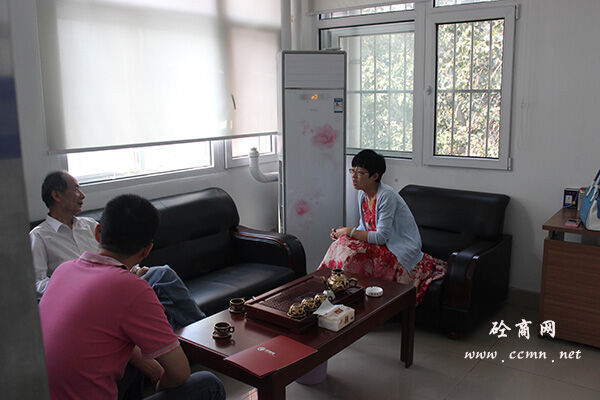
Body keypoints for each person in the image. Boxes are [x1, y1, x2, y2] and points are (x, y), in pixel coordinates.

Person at [39, 194, 226, 400]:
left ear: (98, 233)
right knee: (209, 384)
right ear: (147, 251)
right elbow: (179, 374)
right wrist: (161, 383)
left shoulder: (63, 271)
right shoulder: (132, 289)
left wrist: (154, 369)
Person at [29, 171, 205, 330]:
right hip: (86, 300)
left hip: (118, 282)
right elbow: (37, 284)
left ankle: (194, 338)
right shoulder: (39, 236)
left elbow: (117, 253)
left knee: (162, 279)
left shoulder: (89, 225)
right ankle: (201, 337)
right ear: (57, 195)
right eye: (75, 189)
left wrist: (135, 270)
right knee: (161, 283)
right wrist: (77, 287)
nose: (82, 195)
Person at [318, 149, 447, 304]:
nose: (353, 176)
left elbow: (381, 237)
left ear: (375, 176)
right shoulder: (362, 194)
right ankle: (326, 287)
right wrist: (344, 234)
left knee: (350, 254)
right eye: (353, 171)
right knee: (340, 243)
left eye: (360, 172)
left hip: (397, 247)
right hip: (380, 243)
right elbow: (365, 226)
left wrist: (349, 231)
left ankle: (345, 296)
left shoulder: (386, 196)